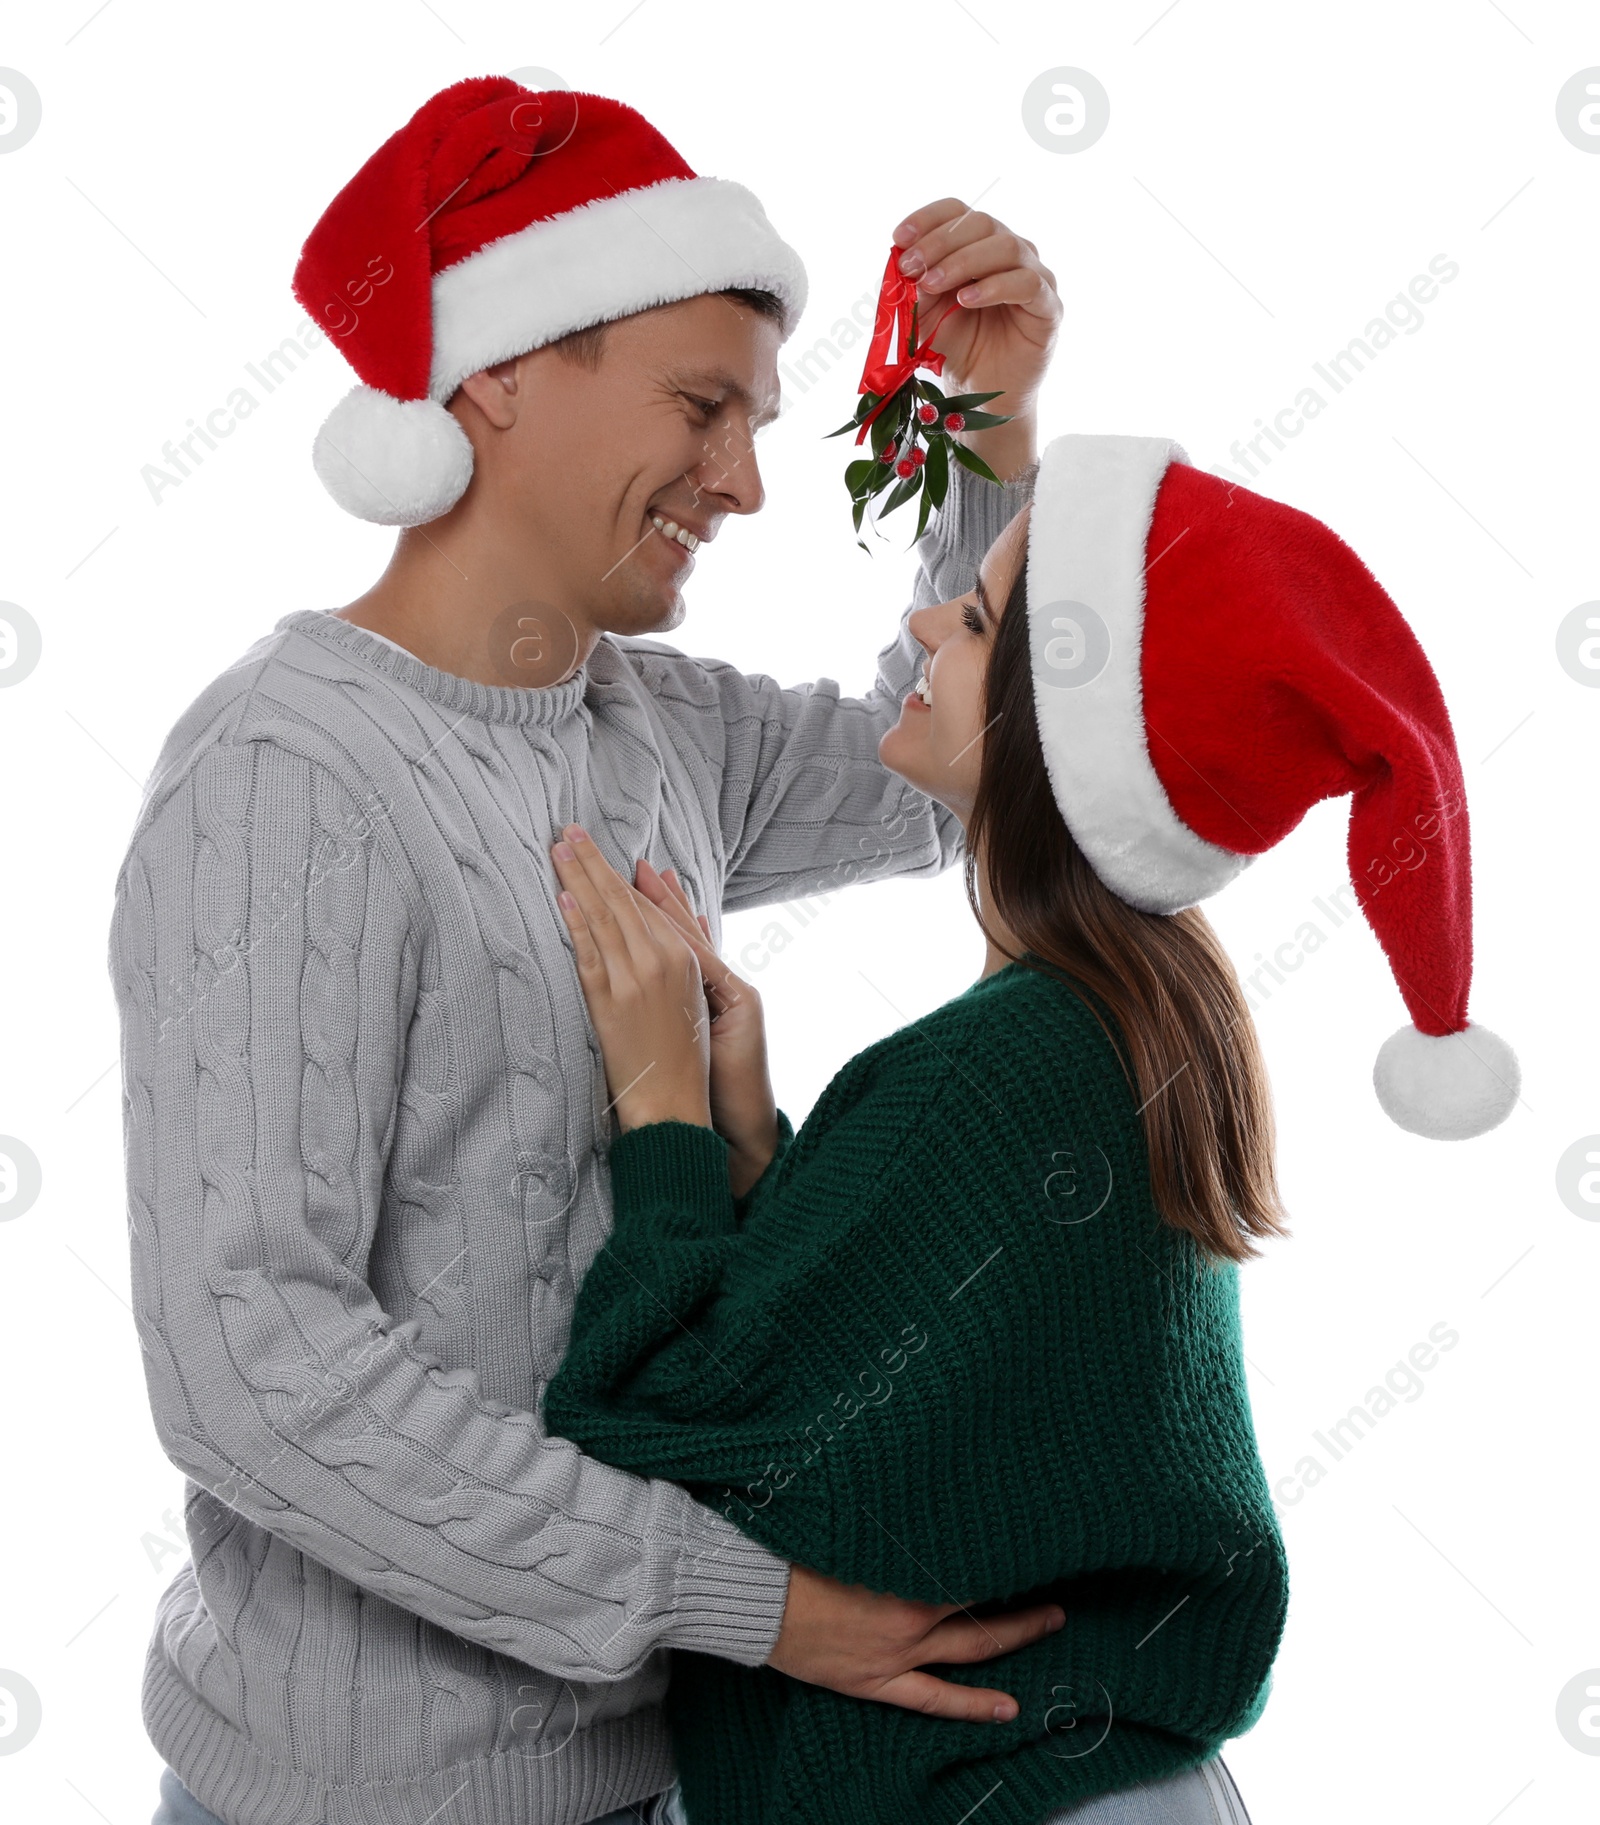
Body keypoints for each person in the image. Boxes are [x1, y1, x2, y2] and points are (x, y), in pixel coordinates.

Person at [112, 76, 1068, 1825]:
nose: (749, 480)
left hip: (670, 1769)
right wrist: (755, 1606)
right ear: (494, 373)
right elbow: (255, 1364)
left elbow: (941, 782)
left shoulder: (656, 726)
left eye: (762, 416)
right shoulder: (283, 774)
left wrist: (985, 443)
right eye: (702, 406)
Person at [537, 433, 1521, 1824]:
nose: (931, 621)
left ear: (1064, 731)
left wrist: (661, 1112)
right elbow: (925, 1394)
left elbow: (657, 1423)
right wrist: (757, 1142)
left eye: (981, 616)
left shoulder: (1006, 1066)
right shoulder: (1131, 1016)